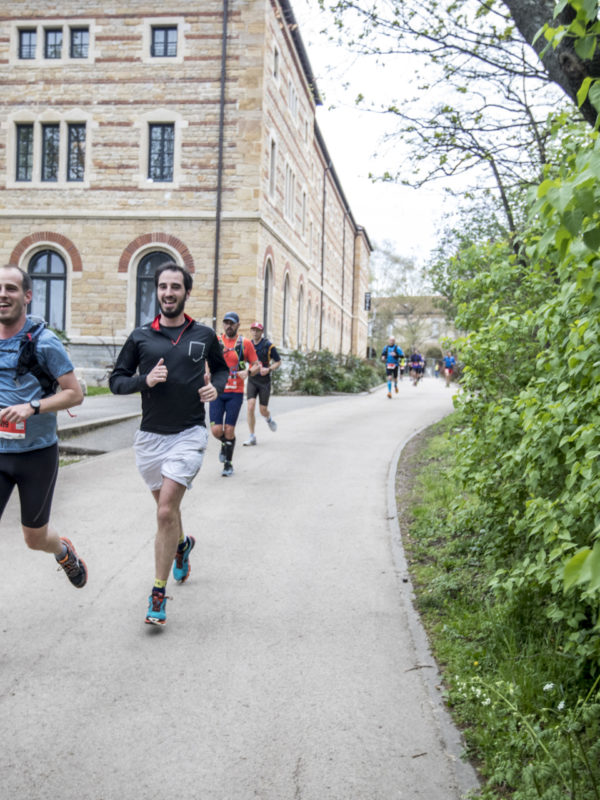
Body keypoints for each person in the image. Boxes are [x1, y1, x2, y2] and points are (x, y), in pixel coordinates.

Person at [109, 262, 229, 627]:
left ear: (186, 292)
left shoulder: (204, 335)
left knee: (164, 513)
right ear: (156, 291)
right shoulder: (141, 336)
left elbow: (222, 370)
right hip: (150, 439)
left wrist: (217, 387)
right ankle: (181, 546)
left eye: (175, 287)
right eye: (162, 286)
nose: (168, 293)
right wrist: (146, 380)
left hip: (189, 433)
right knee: (169, 511)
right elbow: (116, 382)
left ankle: (158, 594)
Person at [0, 265, 87, 589]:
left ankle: (63, 551)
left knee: (34, 538)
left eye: (10, 288)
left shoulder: (45, 342)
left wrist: (32, 407)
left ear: (27, 296)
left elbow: (74, 393)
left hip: (35, 455)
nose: (3, 295)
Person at [209, 312, 259, 476]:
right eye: (226, 323)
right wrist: (206, 375)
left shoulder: (245, 344)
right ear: (223, 325)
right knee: (216, 430)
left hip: (235, 393)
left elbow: (257, 365)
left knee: (229, 430)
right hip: (217, 391)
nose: (229, 326)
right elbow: (206, 361)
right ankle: (225, 445)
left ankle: (228, 465)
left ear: (238, 325)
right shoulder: (216, 342)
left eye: (232, 323)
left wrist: (249, 372)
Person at [243, 321, 280, 447]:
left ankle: (268, 419)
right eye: (253, 330)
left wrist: (269, 369)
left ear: (261, 332)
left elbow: (278, 362)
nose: (255, 332)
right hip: (253, 380)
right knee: (250, 406)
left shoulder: (268, 345)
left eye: (257, 330)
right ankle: (252, 436)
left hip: (264, 381)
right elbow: (242, 360)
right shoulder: (247, 345)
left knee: (263, 410)